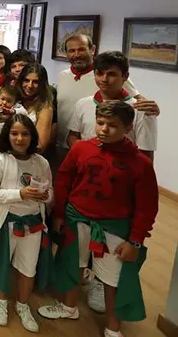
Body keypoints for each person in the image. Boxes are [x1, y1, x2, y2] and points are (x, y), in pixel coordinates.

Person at [38, 102, 159, 337]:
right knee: (73, 264)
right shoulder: (81, 149)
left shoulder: (140, 163)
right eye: (100, 123)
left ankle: (113, 328)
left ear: (128, 128)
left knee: (112, 279)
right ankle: (69, 307)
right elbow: (64, 180)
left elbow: (147, 207)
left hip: (114, 227)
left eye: (112, 125)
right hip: (77, 219)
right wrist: (59, 213)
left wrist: (135, 240)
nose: (104, 129)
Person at [0, 114, 52, 332]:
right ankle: (0, 301)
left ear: (32, 136)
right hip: (4, 223)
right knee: (3, 264)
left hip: (33, 224)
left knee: (28, 268)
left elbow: (50, 193)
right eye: (14, 133)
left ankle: (22, 304)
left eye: (25, 134)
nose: (20, 139)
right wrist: (20, 194)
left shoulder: (41, 162)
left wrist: (45, 196)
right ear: (7, 135)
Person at [56, 34, 158, 151]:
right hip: (66, 145)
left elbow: (138, 101)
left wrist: (152, 110)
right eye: (71, 50)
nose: (77, 54)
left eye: (81, 49)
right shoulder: (63, 76)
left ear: (92, 50)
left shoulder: (113, 76)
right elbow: (72, 134)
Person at [17, 64, 54, 153]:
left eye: (35, 82)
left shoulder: (45, 108)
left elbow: (40, 146)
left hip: (28, 155)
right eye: (26, 80)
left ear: (42, 84)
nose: (30, 85)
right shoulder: (14, 99)